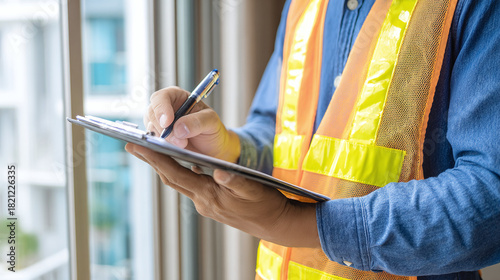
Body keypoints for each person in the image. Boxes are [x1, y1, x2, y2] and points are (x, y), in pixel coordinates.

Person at [126, 0, 500, 279]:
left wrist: (297, 224)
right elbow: (279, 133)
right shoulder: (303, 5)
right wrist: (227, 148)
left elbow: (490, 195)